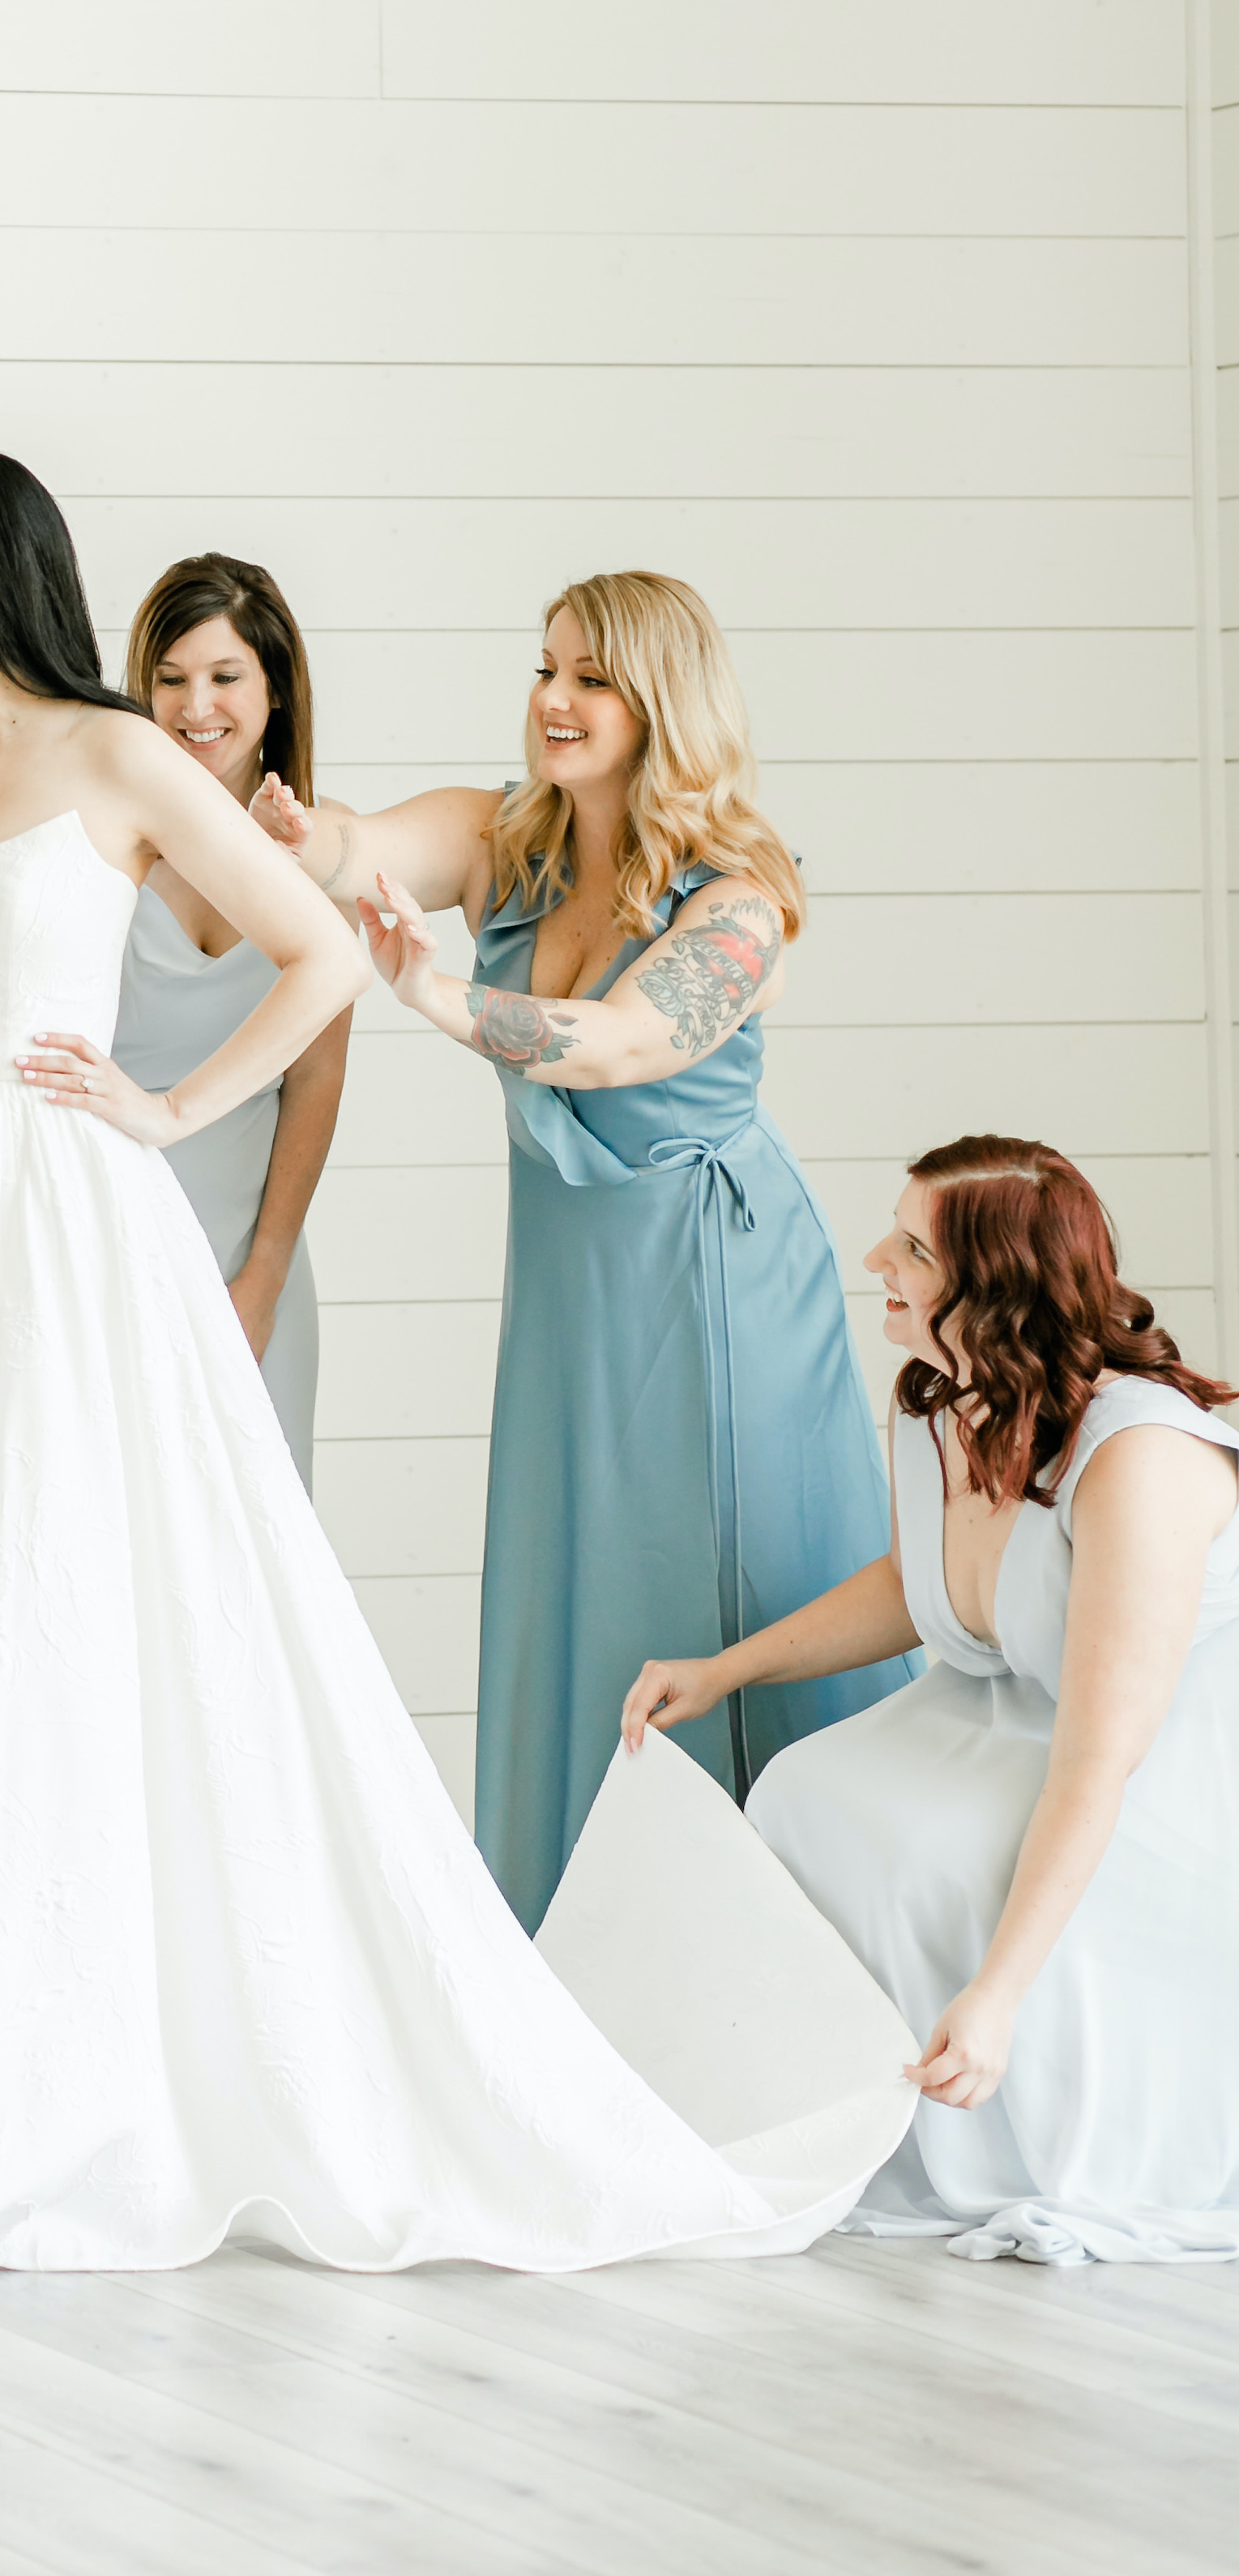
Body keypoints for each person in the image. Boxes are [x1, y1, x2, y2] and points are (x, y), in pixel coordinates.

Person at [0, 454, 912, 2288]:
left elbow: (370, 980)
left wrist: (169, 1107)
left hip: (198, 1233)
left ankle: (59, 2074)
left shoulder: (131, 766)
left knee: (56, 1611)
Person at [252, 572, 906, 1930]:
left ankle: (778, 1963)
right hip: (572, 1289)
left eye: (590, 677)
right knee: (581, 1592)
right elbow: (358, 846)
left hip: (715, 1280)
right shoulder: (511, 840)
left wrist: (437, 993)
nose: (553, 699)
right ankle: (592, 1966)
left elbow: (625, 1043)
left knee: (717, 1580)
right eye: (546, 666)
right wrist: (285, 817)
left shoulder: (743, 895)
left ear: (659, 701)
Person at [624, 1138, 1239, 2263]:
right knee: (802, 1793)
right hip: (994, 1706)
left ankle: (994, 2110)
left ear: (997, 1286)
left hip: (1148, 1761)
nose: (875, 1260)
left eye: (912, 1247)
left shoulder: (1142, 1455)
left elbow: (1104, 1752)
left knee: (938, 1849)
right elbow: (920, 1588)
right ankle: (833, 2112)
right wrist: (723, 1671)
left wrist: (998, 1992)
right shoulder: (938, 1399)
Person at [109, 554, 349, 1487]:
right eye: (169, 680)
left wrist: (265, 1278)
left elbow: (316, 1079)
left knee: (256, 1549)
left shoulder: (322, 850)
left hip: (250, 1261)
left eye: (223, 676)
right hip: (106, 1239)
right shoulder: (109, 838)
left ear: (276, 689)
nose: (194, 705)